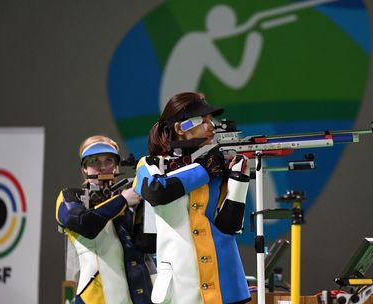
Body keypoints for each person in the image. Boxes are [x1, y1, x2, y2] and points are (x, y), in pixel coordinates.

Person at [133, 92, 251, 304]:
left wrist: (238, 180)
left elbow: (229, 225)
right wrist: (204, 168)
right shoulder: (151, 164)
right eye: (203, 121)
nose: (211, 126)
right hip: (180, 287)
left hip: (225, 283)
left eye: (211, 120)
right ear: (180, 128)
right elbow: (156, 191)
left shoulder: (216, 166)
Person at [55, 135, 155, 304]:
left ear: (116, 167)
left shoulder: (130, 198)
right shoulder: (71, 196)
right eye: (94, 161)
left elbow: (147, 245)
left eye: (108, 161)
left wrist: (149, 203)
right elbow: (84, 224)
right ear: (84, 169)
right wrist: (122, 201)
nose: (102, 167)